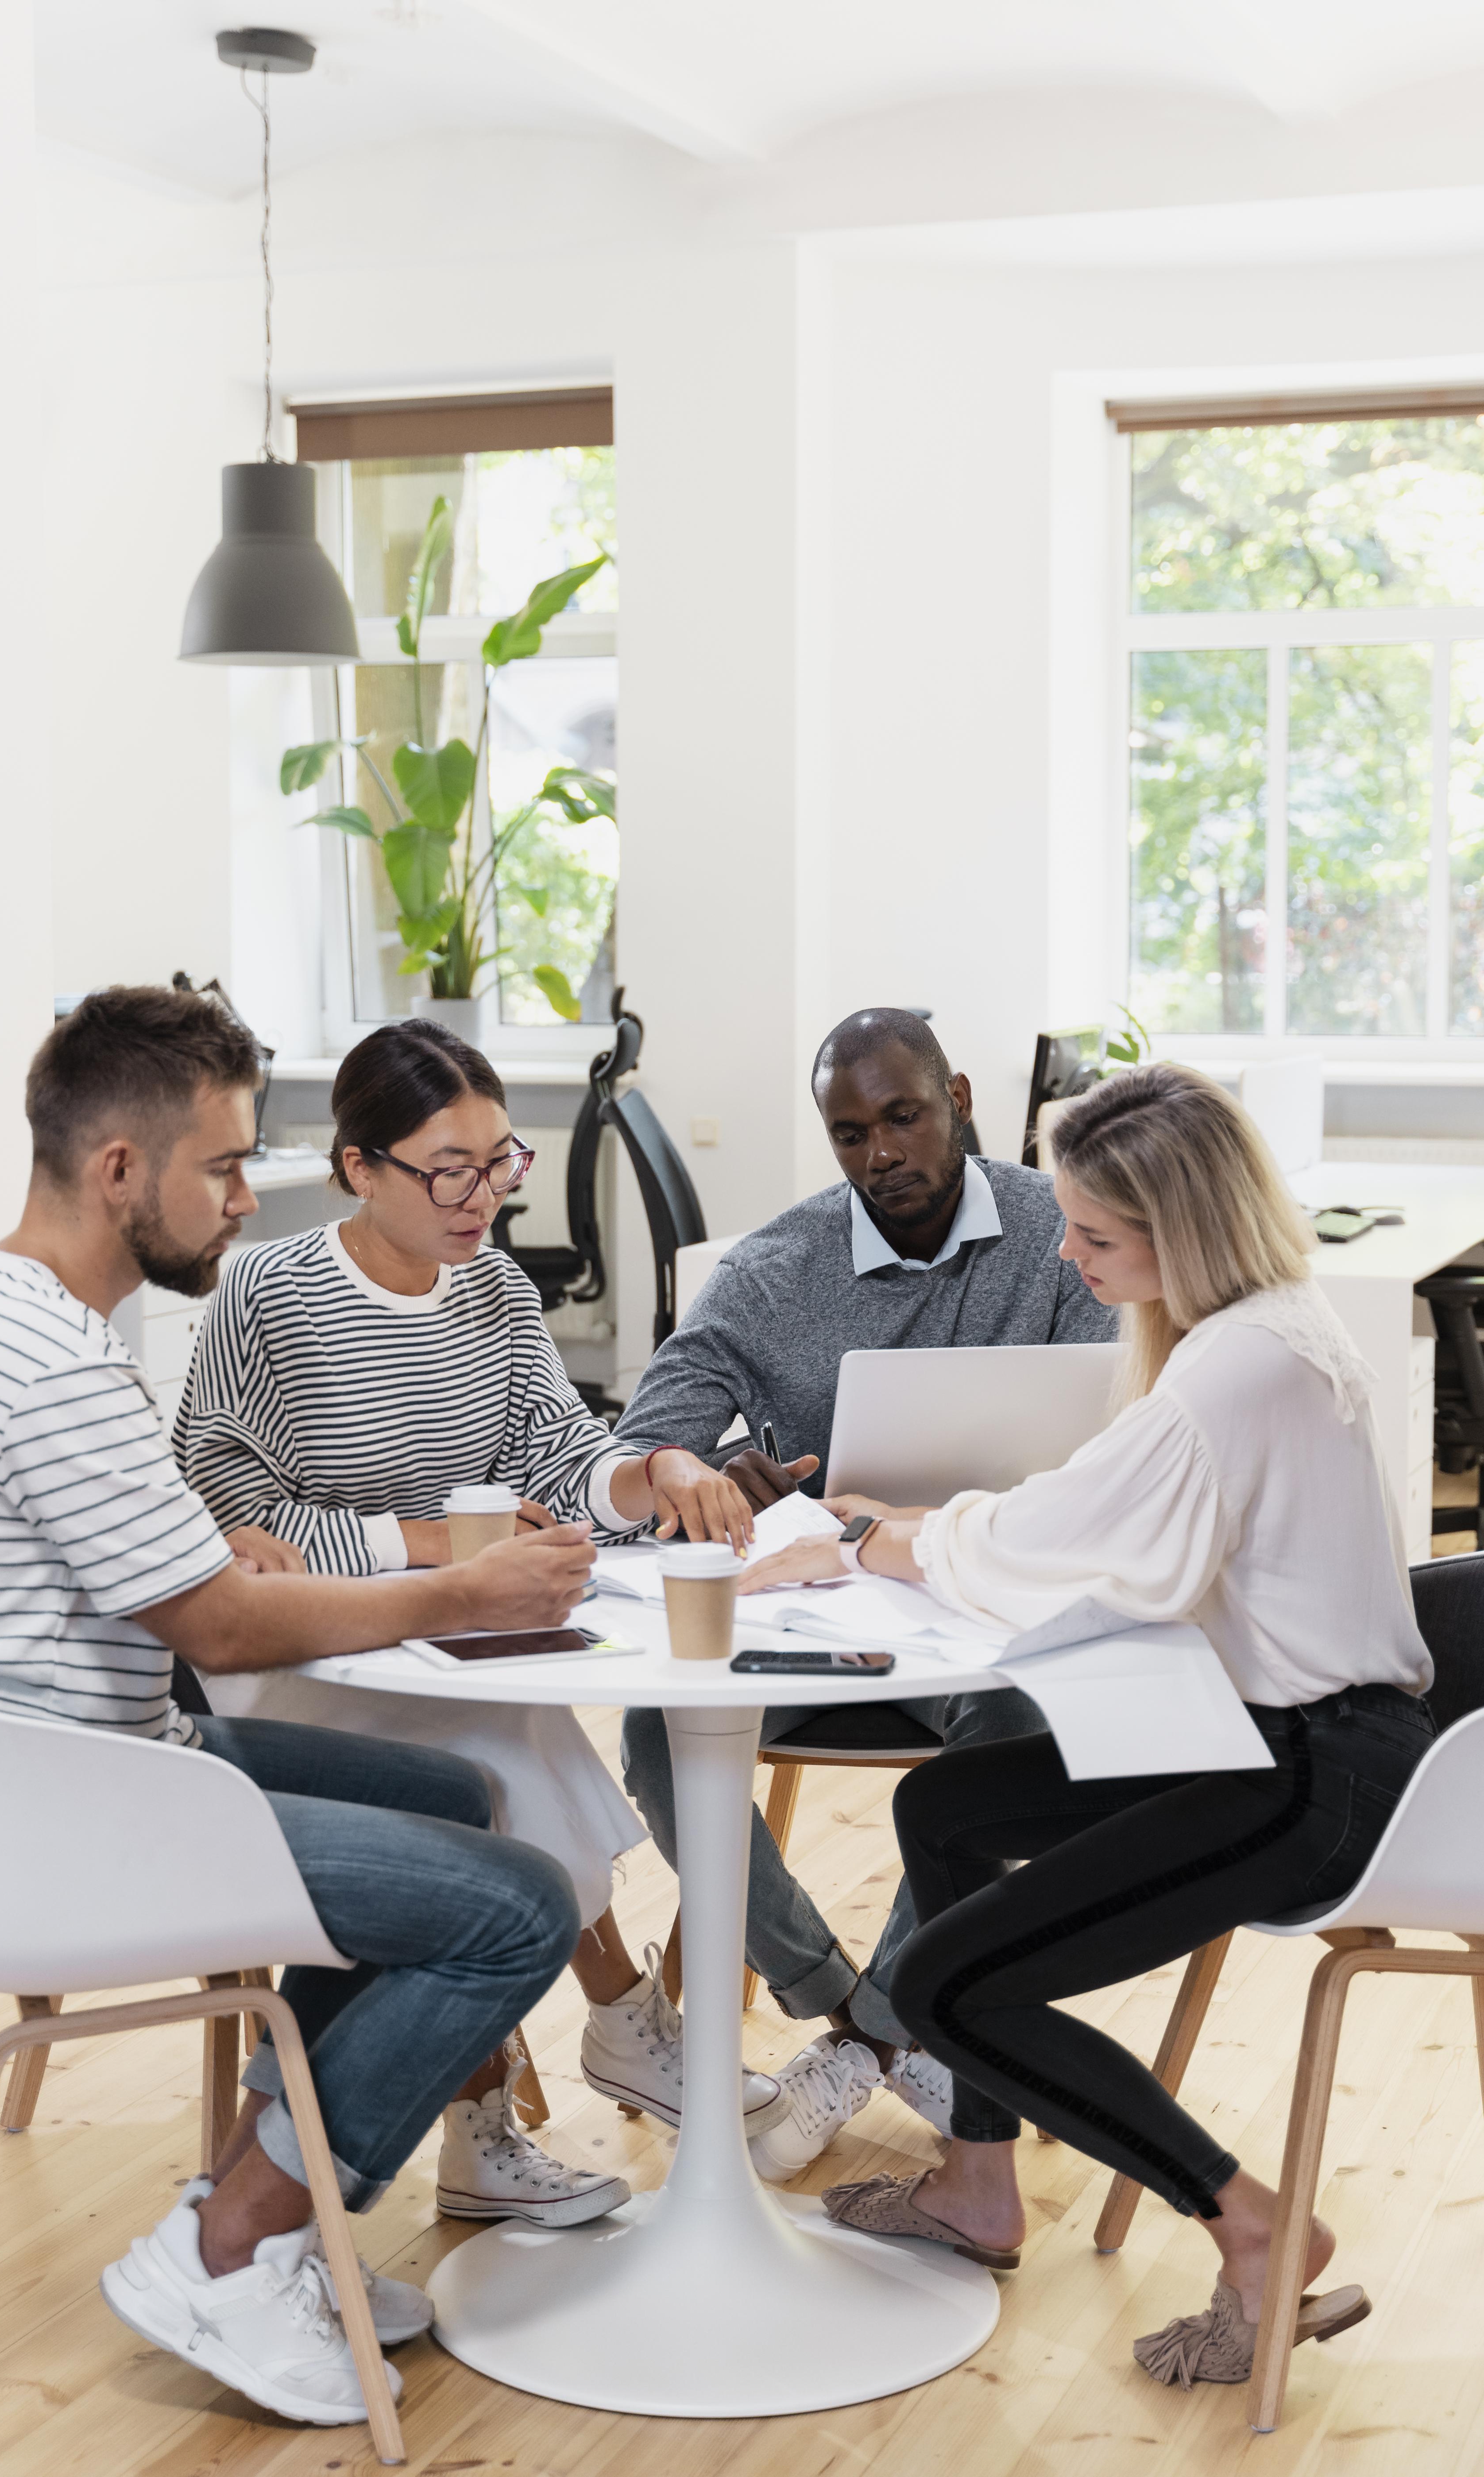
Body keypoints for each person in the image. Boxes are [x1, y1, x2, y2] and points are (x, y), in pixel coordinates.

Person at [0, 984, 605, 2430]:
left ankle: (288, 2208)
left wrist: (201, 1528)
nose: (251, 1198)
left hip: (30, 1777)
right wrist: (459, 1591)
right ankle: (229, 2238)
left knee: (456, 1794)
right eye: (228, 1166)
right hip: (69, 1819)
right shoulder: (56, 1365)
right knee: (514, 1906)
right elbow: (223, 1625)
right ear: (121, 1169)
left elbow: (165, 1566)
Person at [745, 1060, 1434, 2389]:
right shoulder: (1267, 1322)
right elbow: (1095, 1519)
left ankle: (1253, 2226)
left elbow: (1050, 1532)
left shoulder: (1234, 1369)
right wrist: (923, 1539)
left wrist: (863, 1533)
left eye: (1097, 1236)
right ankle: (978, 2184)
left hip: (1314, 1775)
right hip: (1286, 1735)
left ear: (1189, 1230)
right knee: (942, 1804)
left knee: (950, 1983)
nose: (1067, 1253)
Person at [174, 1017, 788, 2213]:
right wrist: (431, 1552)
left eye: (500, 1161)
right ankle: (614, 2029)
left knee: (489, 1733)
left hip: (437, 1637)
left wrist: (652, 1471)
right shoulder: (270, 1292)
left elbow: (560, 1459)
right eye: (447, 1168)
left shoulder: (496, 1293)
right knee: (493, 1743)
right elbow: (224, 1508)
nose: (485, 1197)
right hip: (295, 1650)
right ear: (358, 1166)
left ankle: (492, 2116)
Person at [615, 1007, 1117, 2173]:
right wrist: (700, 1467)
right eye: (850, 1135)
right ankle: (853, 2013)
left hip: (991, 1618)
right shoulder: (774, 1270)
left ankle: (872, 2030)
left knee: (1011, 1737)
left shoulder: (1064, 1234)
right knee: (654, 1735)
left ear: (956, 1096)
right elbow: (649, 1445)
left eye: (901, 1117)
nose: (881, 1153)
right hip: (825, 1625)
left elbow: (1105, 1447)